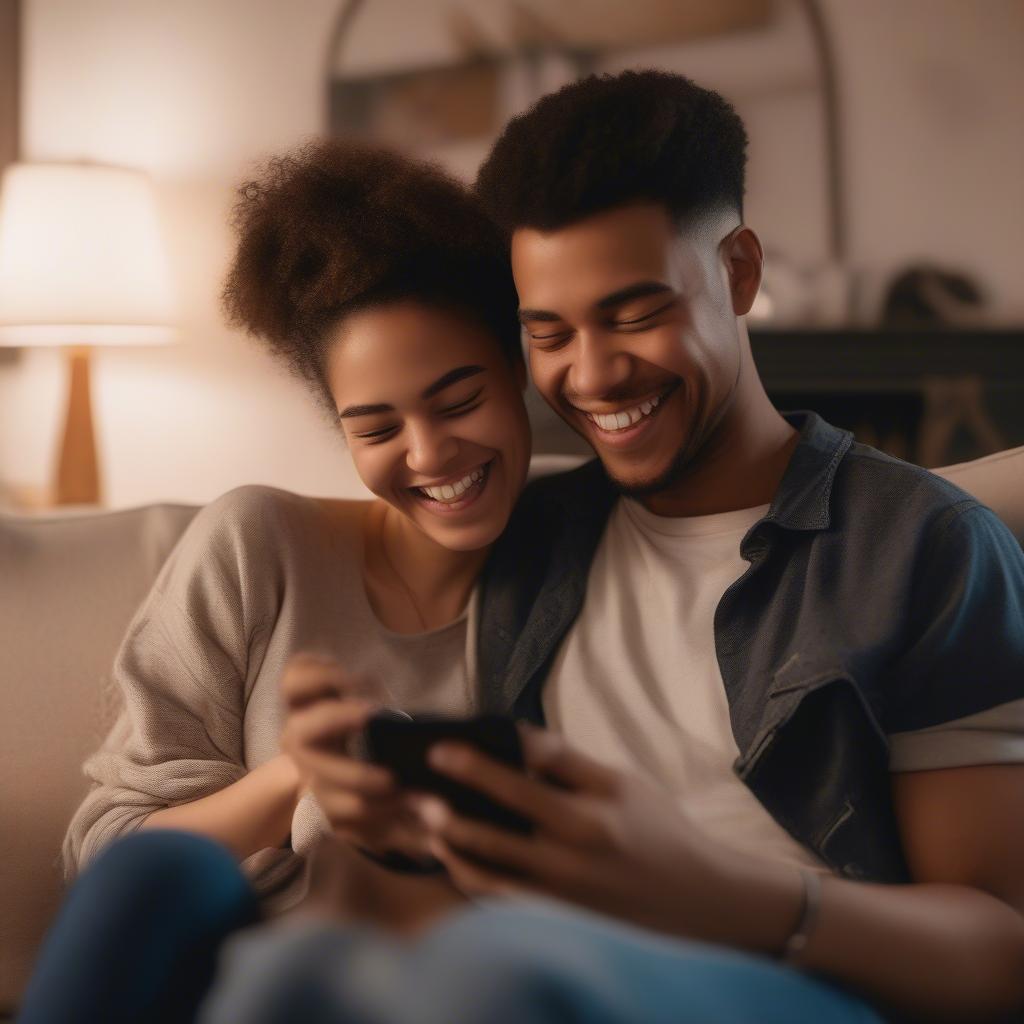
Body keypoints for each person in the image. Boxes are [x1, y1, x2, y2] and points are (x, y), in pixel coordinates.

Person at [198, 71, 1024, 1024]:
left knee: (485, 976)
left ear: (739, 270)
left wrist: (715, 893)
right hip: (531, 959)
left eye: (635, 315)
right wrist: (363, 799)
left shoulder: (922, 546)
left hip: (797, 986)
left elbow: (1001, 948)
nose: (590, 376)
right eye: (547, 332)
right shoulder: (529, 539)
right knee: (279, 977)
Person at [17, 140, 531, 1023]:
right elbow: (112, 861)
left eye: (457, 401)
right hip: (218, 964)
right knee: (162, 868)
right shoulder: (261, 543)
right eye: (376, 427)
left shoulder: (587, 570)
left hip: (435, 983)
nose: (429, 453)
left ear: (520, 370)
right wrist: (301, 774)